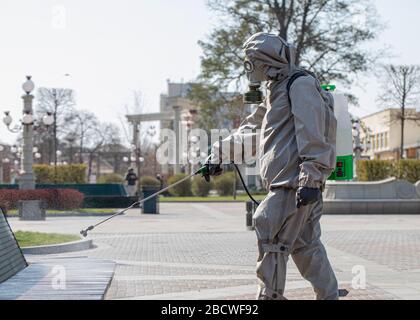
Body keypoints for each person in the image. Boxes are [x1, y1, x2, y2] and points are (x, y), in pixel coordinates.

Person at [206, 32, 339, 300]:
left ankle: (270, 296)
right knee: (305, 245)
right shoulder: (274, 90)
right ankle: (329, 296)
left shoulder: (300, 85)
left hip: (293, 183)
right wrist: (218, 156)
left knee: (270, 234)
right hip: (293, 182)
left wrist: (310, 178)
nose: (247, 67)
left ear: (264, 61)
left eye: (250, 60)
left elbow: (313, 132)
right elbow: (252, 130)